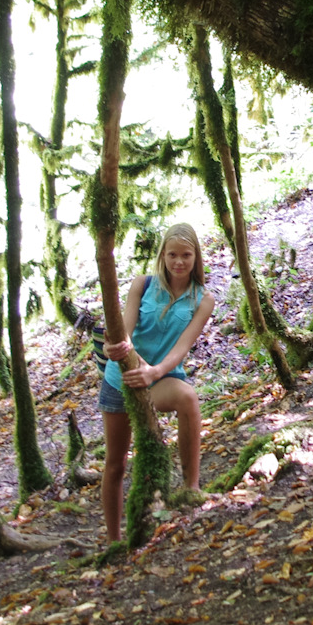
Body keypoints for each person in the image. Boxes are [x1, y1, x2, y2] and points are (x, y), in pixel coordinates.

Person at [100, 222, 215, 541]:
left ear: (196, 257)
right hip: (121, 381)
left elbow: (181, 348)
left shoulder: (203, 299)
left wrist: (154, 371)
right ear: (163, 255)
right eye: (173, 255)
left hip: (160, 377)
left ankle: (191, 490)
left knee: (188, 398)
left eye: (186, 255)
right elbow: (123, 332)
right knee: (115, 463)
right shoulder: (142, 285)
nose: (179, 262)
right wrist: (116, 349)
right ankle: (114, 540)